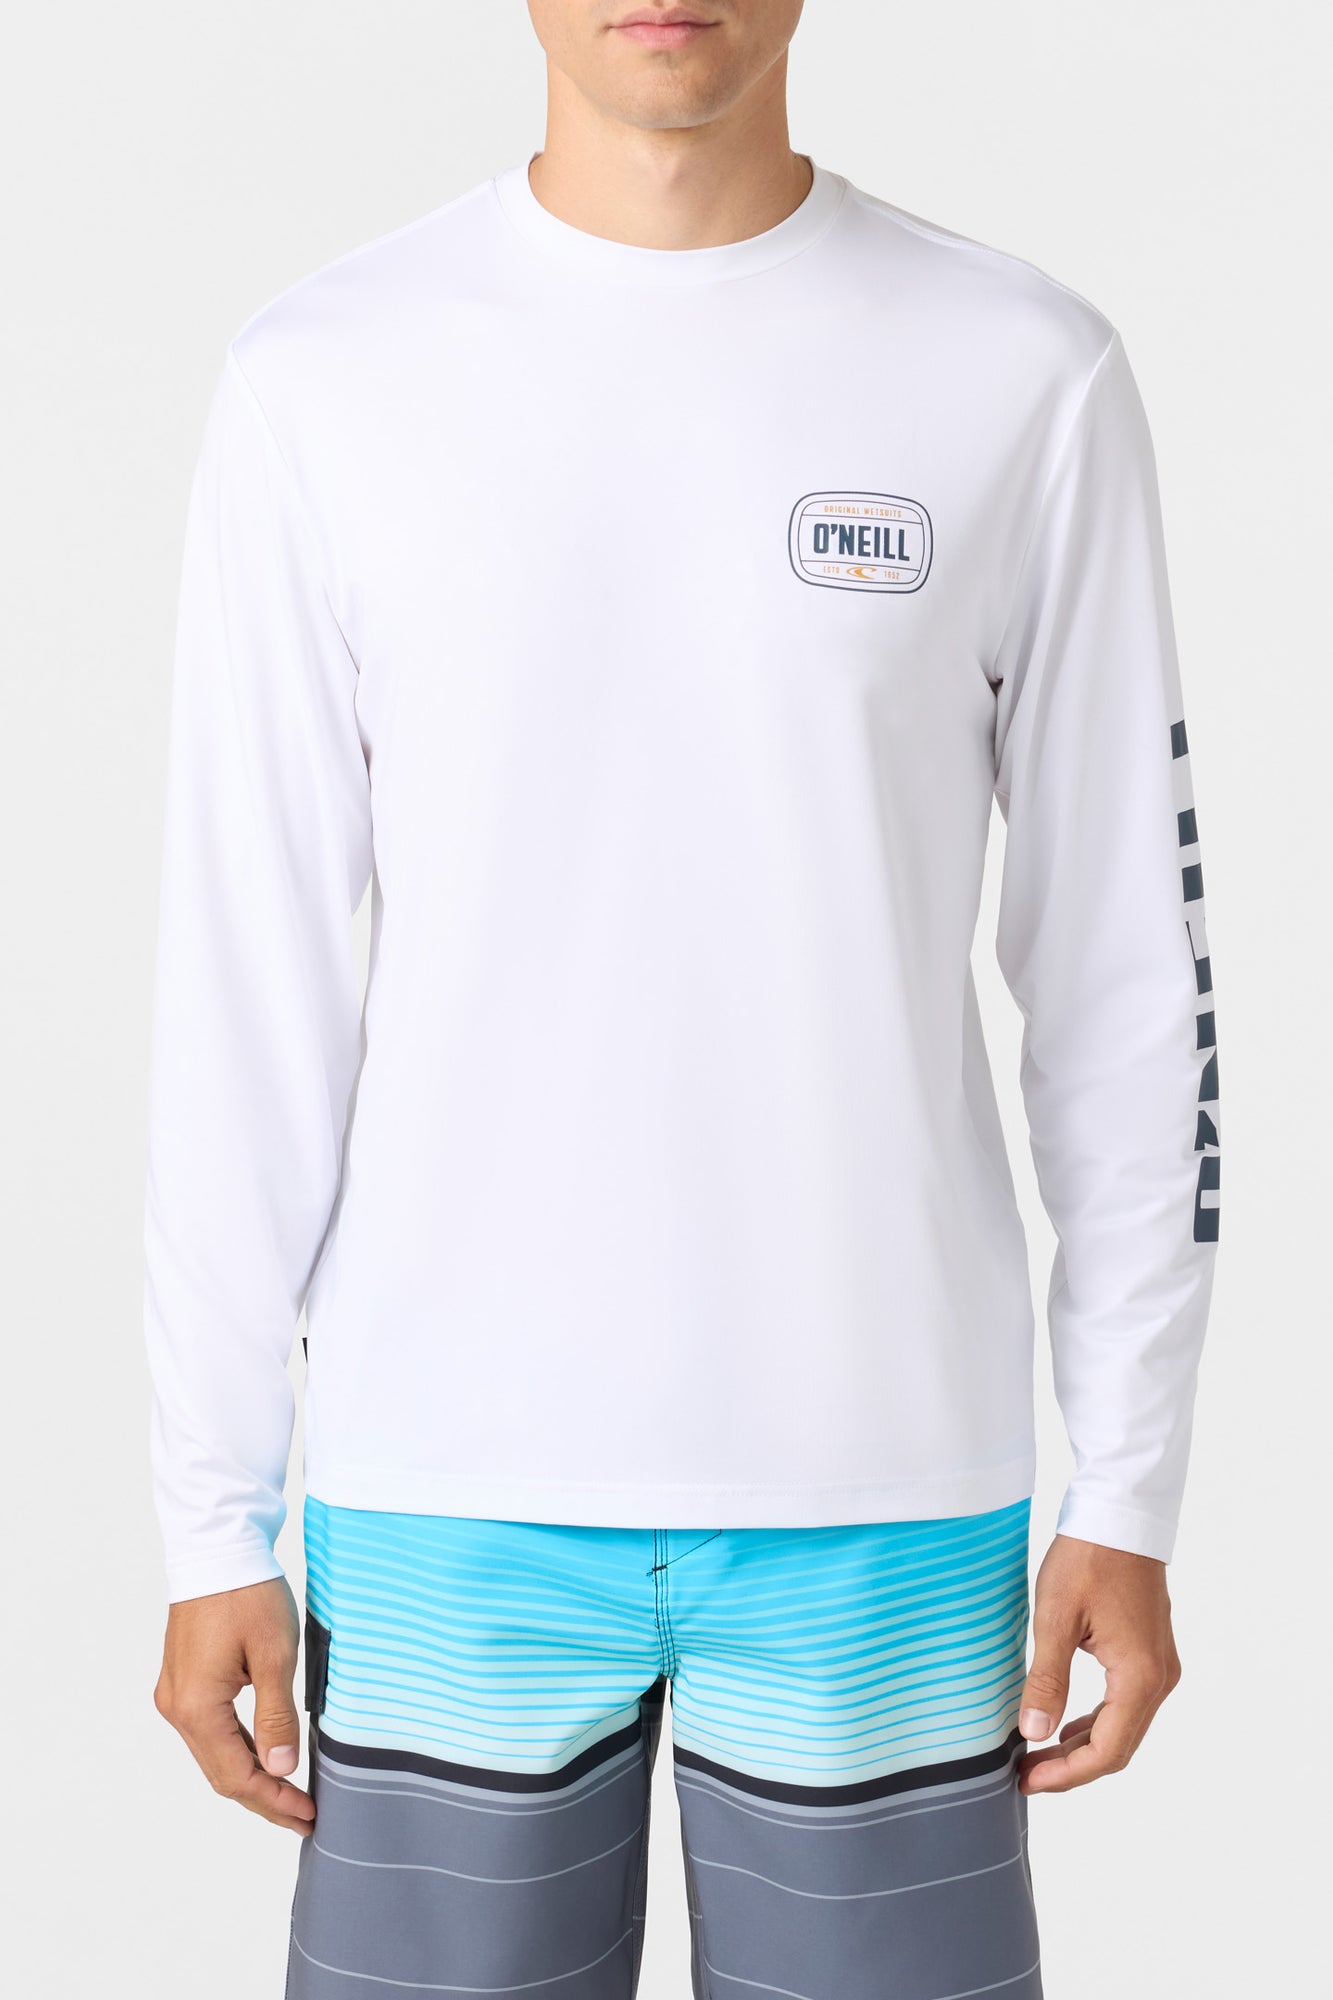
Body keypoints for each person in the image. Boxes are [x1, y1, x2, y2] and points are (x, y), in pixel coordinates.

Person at [143, 4, 1221, 1995]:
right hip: (445, 1492)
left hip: (884, 1500)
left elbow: (1121, 978)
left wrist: (1129, 1483)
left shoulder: (1018, 371)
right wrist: (212, 1516)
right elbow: (246, 976)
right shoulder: (325, 378)